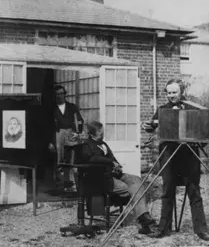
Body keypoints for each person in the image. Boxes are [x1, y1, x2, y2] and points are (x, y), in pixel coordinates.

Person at [142, 78, 209, 240]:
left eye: (174, 92)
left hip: (188, 155)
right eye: (169, 92)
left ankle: (201, 229)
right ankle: (163, 228)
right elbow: (153, 125)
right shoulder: (162, 109)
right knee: (167, 191)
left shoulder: (194, 108)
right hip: (169, 155)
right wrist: (149, 126)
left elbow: (203, 129)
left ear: (182, 92)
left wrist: (199, 141)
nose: (171, 95)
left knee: (194, 191)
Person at [80, 121, 156, 234]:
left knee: (136, 180)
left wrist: (117, 166)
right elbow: (92, 159)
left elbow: (113, 159)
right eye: (100, 133)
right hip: (102, 179)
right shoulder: (86, 145)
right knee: (129, 188)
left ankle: (143, 217)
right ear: (92, 134)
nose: (103, 134)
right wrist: (111, 162)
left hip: (115, 175)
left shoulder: (104, 144)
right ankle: (143, 218)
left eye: (103, 132)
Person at [48, 85, 84, 191]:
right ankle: (60, 185)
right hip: (57, 134)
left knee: (71, 159)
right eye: (57, 94)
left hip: (70, 133)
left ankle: (71, 185)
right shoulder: (52, 109)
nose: (60, 96)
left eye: (61, 93)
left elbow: (79, 120)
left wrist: (78, 133)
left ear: (65, 94)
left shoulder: (72, 107)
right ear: (54, 96)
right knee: (60, 159)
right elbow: (48, 126)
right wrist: (50, 142)